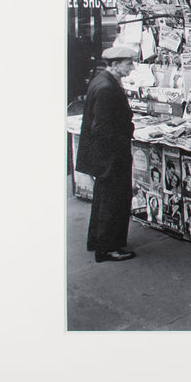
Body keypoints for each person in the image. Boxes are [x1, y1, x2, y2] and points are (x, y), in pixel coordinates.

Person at [76, 46, 138, 263]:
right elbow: (101, 128)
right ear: (114, 64)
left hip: (105, 155)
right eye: (128, 63)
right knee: (114, 201)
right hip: (110, 157)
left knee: (104, 200)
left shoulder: (102, 81)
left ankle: (99, 241)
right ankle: (108, 248)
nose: (132, 67)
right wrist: (114, 153)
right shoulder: (105, 88)